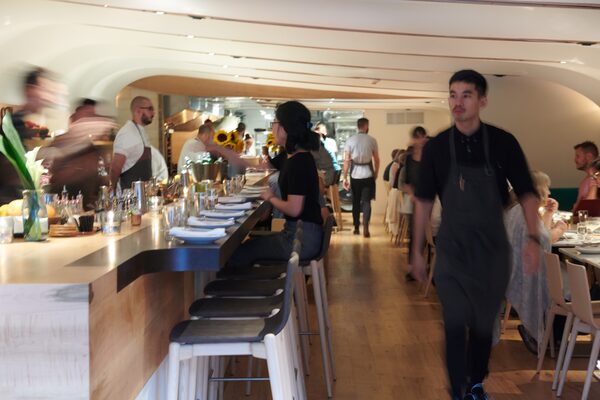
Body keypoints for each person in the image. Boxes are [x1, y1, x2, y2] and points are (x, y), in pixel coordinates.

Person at [410, 69, 540, 400]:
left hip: (492, 251)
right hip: (452, 249)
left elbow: (527, 192)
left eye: (466, 95)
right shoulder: (437, 147)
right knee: (455, 321)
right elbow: (423, 202)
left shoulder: (503, 142)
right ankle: (458, 391)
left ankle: (476, 382)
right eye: (453, 95)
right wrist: (416, 252)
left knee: (483, 325)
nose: (458, 102)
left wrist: (533, 238)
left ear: (482, 101)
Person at [226, 100, 323, 267]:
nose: (272, 128)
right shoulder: (290, 156)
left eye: (274, 123)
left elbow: (294, 209)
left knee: (237, 254)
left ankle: (249, 284)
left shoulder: (299, 162)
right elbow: (260, 167)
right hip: (298, 234)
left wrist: (270, 197)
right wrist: (223, 151)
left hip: (301, 240)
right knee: (244, 248)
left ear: (286, 127)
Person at [505, 171, 567, 356]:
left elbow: (542, 237)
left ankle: (547, 333)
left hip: (514, 268)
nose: (549, 192)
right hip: (527, 271)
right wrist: (560, 230)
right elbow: (545, 239)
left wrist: (548, 213)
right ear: (538, 190)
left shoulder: (517, 209)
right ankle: (547, 332)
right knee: (569, 281)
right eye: (547, 187)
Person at [1, 67, 57, 204]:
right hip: (8, 202)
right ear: (30, 90)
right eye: (45, 90)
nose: (48, 98)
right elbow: (12, 167)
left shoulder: (18, 122)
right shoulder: (13, 123)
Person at [342, 117, 380, 238]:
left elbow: (346, 161)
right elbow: (377, 160)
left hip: (355, 175)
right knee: (367, 201)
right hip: (368, 174)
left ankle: (356, 227)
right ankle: (366, 227)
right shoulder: (372, 140)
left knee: (356, 202)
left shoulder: (350, 140)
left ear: (357, 126)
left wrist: (345, 177)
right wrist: (376, 173)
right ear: (366, 126)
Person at [109, 96, 154, 192]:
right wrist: (113, 190)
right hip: (129, 196)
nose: (153, 113)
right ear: (138, 111)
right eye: (150, 109)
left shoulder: (140, 132)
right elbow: (115, 167)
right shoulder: (127, 133)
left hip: (143, 194)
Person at [400, 126, 428, 280]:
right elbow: (406, 181)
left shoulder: (430, 156)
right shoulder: (409, 159)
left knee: (430, 232)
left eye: (422, 136)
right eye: (417, 137)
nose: (420, 140)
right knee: (414, 232)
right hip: (414, 198)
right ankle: (413, 268)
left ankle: (428, 265)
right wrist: (412, 194)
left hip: (429, 198)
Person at [572, 141, 598, 212]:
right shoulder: (585, 181)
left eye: (578, 156)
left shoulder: (597, 179)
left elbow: (590, 207)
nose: (575, 160)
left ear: (589, 157)